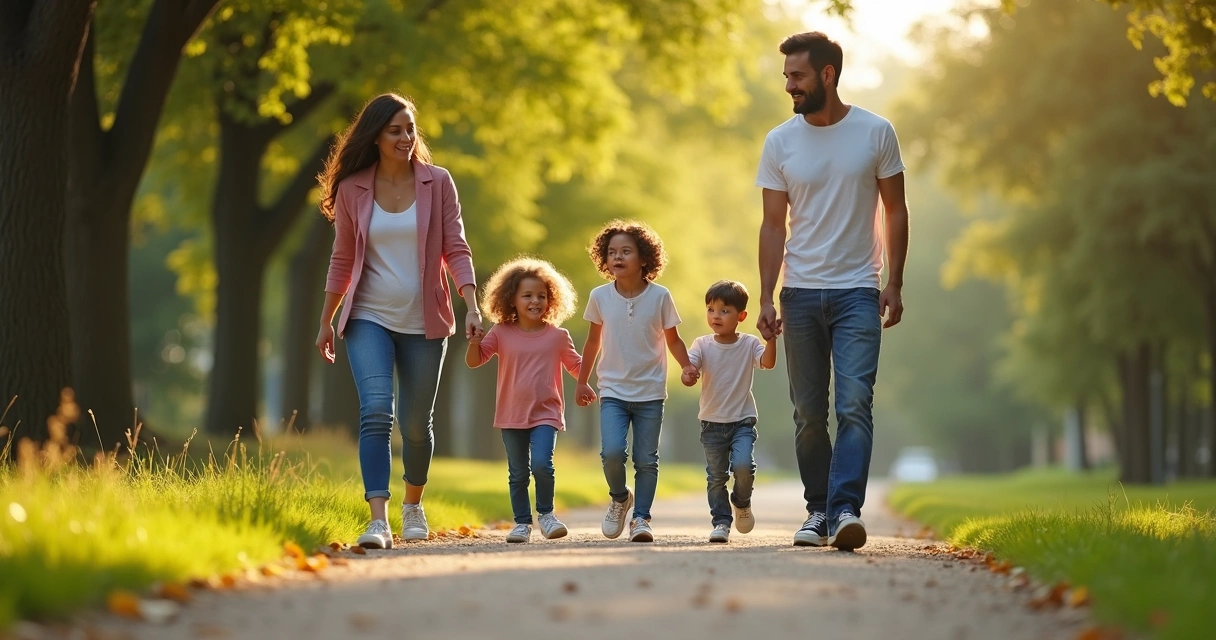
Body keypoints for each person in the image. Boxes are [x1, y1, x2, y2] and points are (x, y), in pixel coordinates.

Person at [754, 32, 909, 551]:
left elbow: (896, 210)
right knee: (807, 414)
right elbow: (772, 225)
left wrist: (895, 281)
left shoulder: (875, 132)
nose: (789, 86)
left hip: (858, 291)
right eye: (786, 77)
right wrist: (766, 296)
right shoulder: (780, 141)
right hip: (799, 294)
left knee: (855, 403)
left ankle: (844, 510)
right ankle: (817, 510)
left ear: (827, 74)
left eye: (797, 76)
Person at [316, 93, 483, 550]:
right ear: (375, 136)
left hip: (425, 320)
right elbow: (342, 259)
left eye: (410, 128)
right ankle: (378, 520)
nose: (406, 137)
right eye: (395, 130)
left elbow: (456, 247)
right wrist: (326, 320)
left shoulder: (437, 181)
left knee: (415, 423)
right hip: (367, 316)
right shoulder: (353, 188)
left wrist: (471, 303)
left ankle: (413, 505)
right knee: (375, 411)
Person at [575, 219, 693, 543]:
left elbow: (673, 340)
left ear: (644, 258)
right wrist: (583, 381)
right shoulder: (600, 296)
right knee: (612, 453)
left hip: (650, 391)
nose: (618, 257)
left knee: (646, 460)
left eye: (626, 251)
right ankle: (619, 497)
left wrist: (686, 366)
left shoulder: (660, 296)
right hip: (612, 389)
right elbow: (592, 343)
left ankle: (641, 518)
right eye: (612, 252)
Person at [465, 257, 582, 543]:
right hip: (511, 414)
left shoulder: (558, 336)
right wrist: (474, 342)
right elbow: (475, 361)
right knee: (517, 473)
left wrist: (594, 373)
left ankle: (547, 515)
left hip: (546, 413)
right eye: (527, 295)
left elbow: (578, 367)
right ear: (511, 299)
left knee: (542, 464)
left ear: (551, 299)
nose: (535, 301)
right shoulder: (501, 332)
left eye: (541, 295)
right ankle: (521, 523)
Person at [681, 280, 777, 543]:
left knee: (744, 466)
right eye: (711, 309)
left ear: (741, 316)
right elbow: (690, 369)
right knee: (716, 477)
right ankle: (721, 522)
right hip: (711, 423)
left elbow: (768, 363)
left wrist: (771, 339)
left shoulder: (749, 343)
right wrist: (688, 375)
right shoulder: (702, 344)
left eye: (724, 311)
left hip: (742, 421)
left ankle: (741, 501)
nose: (716, 316)